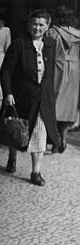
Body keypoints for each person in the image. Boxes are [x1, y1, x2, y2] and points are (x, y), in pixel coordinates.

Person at [1, 9, 60, 186]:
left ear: (47, 26)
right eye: (34, 24)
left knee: (39, 133)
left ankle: (36, 171)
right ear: (29, 25)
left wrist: (51, 94)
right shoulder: (19, 44)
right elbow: (6, 71)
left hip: (42, 99)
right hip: (22, 97)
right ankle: (12, 157)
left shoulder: (50, 44)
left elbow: (50, 72)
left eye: (42, 24)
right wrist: (8, 93)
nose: (37, 28)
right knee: (18, 131)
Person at [47, 5, 80, 152]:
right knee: (68, 106)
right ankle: (63, 138)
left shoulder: (52, 32)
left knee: (53, 103)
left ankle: (55, 140)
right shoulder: (78, 34)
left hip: (57, 68)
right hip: (75, 70)